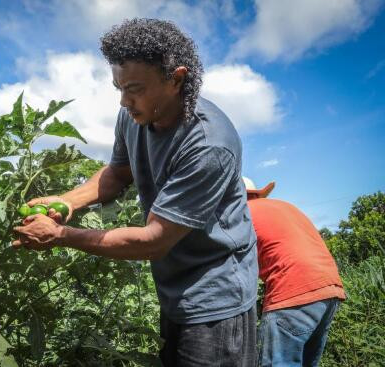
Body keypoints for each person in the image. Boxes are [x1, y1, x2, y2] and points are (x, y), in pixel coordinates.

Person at [14, 18, 258, 366]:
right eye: (119, 89)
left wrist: (60, 235)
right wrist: (65, 202)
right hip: (174, 289)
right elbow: (117, 174)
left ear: (176, 79)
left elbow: (154, 240)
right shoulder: (136, 115)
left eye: (134, 88)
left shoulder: (209, 145)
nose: (124, 102)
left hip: (216, 299)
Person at [243, 177, 346, 367]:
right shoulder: (285, 207)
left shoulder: (243, 213)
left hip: (293, 291)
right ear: (257, 194)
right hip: (330, 289)